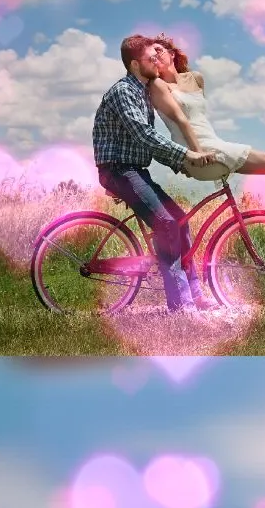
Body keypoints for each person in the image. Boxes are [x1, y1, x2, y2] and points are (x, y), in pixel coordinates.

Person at [149, 33, 265, 227]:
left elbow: (199, 119)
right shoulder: (158, 85)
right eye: (151, 55)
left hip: (212, 143)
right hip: (197, 151)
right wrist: (192, 156)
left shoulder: (196, 79)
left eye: (159, 50)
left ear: (172, 54)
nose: (155, 56)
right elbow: (182, 121)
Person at [92, 34, 221, 317]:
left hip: (136, 170)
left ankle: (195, 294)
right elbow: (145, 135)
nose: (157, 62)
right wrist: (187, 155)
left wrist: (183, 165)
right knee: (166, 224)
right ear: (137, 64)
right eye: (152, 58)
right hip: (118, 170)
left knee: (180, 221)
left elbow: (148, 143)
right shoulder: (124, 91)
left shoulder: (143, 92)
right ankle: (181, 306)